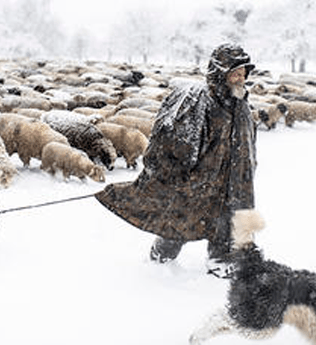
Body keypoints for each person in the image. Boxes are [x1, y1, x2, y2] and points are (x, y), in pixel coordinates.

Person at [95, 43, 257, 271]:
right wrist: (171, 176)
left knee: (226, 227)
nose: (240, 79)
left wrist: (246, 171)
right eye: (235, 73)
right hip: (197, 183)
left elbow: (247, 142)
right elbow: (173, 144)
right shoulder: (198, 102)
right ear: (220, 73)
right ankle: (160, 260)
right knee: (179, 222)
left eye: (243, 74)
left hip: (232, 183)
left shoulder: (241, 104)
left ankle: (219, 265)